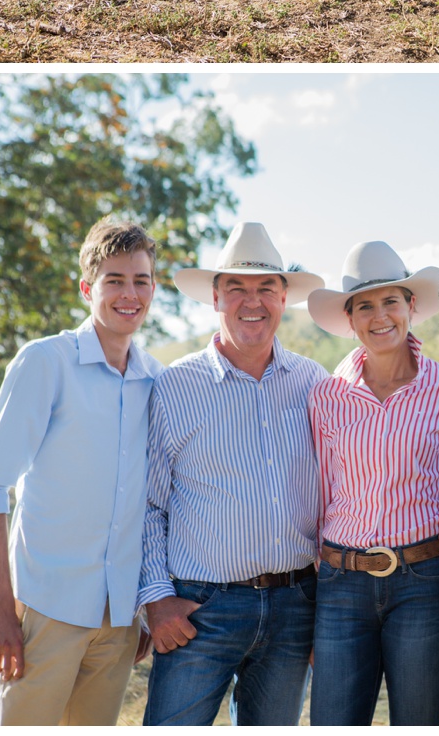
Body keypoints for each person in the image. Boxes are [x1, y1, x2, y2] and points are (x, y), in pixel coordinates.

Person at [0, 219, 162, 726]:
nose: (129, 293)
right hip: (46, 611)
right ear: (87, 288)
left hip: (119, 621)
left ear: (154, 288)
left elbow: (153, 500)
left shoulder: (156, 380)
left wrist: (140, 607)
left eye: (140, 280)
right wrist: (3, 614)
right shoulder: (44, 362)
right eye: (114, 279)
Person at [138, 222, 328, 726]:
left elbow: (344, 490)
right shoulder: (175, 386)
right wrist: (157, 600)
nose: (253, 301)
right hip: (199, 610)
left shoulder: (315, 384)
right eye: (237, 289)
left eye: (266, 287)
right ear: (216, 298)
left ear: (284, 297)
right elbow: (147, 504)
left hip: (296, 606)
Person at [305, 240, 439, 726]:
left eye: (391, 301)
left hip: (423, 581)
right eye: (365, 306)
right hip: (340, 586)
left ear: (411, 307)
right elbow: (319, 494)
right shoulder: (327, 397)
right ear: (350, 320)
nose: (380, 316)